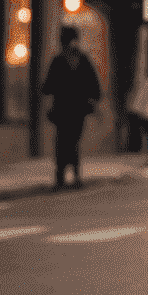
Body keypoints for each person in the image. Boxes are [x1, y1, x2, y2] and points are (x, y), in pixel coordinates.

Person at [41, 26, 101, 189]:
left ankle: (62, 176)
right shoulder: (82, 59)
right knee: (72, 141)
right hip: (76, 109)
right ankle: (72, 175)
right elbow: (94, 85)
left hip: (63, 108)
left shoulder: (59, 60)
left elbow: (48, 86)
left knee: (63, 141)